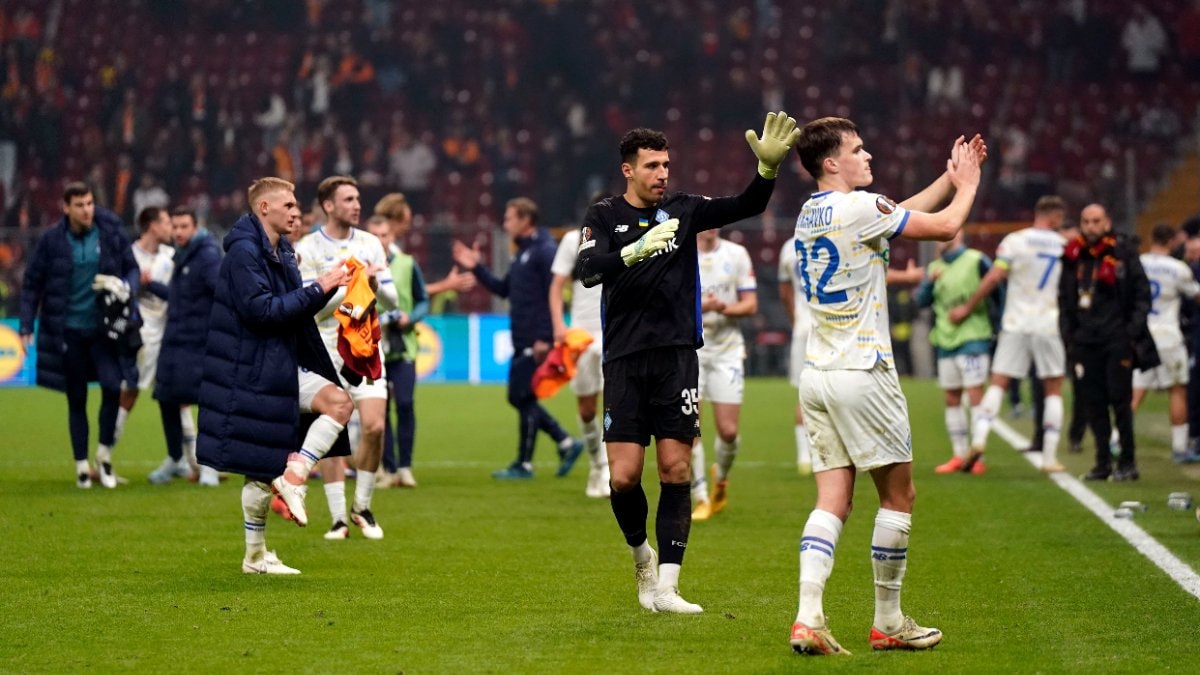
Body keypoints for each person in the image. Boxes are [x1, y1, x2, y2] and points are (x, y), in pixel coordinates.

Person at [575, 111, 800, 614]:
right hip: (624, 359)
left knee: (676, 469)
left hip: (677, 357)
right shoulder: (603, 215)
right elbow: (588, 269)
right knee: (623, 477)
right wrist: (635, 251)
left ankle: (669, 587)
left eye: (666, 165)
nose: (662, 174)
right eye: (652, 166)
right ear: (628, 170)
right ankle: (642, 558)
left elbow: (746, 204)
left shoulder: (684, 209)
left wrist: (766, 170)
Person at [788, 117, 983, 655]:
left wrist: (946, 178)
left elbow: (893, 212)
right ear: (832, 162)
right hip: (863, 371)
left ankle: (808, 618)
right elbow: (945, 227)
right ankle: (889, 622)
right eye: (858, 149)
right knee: (899, 496)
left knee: (832, 500)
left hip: (818, 374)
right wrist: (967, 186)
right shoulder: (859, 208)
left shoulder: (810, 212)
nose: (868, 155)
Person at [196, 177, 353, 574]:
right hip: (251, 370)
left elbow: (293, 309)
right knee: (261, 468)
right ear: (264, 208)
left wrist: (329, 289)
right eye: (288, 206)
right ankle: (255, 554)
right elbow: (263, 312)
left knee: (337, 403)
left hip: (277, 363)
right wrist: (319, 286)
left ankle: (294, 475)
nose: (296, 212)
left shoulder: (280, 250)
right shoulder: (244, 253)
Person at [452, 197, 583, 480]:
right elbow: (504, 289)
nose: (505, 223)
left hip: (536, 340)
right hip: (522, 337)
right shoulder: (523, 252)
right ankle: (563, 442)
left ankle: (528, 462)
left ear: (525, 220)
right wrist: (477, 267)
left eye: (509, 217)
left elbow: (554, 295)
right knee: (521, 397)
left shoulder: (545, 251)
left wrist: (545, 337)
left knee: (521, 396)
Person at [19, 182, 139, 488]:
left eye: (89, 203)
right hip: (68, 331)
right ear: (66, 208)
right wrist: (25, 325)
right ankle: (82, 466)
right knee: (77, 397)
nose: (87, 210)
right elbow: (32, 283)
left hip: (103, 330)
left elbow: (132, 268)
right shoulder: (51, 240)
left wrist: (125, 286)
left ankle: (104, 455)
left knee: (112, 386)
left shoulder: (109, 230)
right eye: (80, 205)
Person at [294, 175, 395, 540]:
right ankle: (338, 518)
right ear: (328, 205)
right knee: (332, 430)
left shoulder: (370, 243)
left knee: (375, 426)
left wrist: (371, 284)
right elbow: (310, 309)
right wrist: (347, 286)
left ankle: (362, 506)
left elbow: (393, 300)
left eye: (357, 198)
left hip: (365, 346)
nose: (356, 205)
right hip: (326, 348)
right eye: (348, 199)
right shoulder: (307, 248)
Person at [949, 196, 1069, 473]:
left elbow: (994, 277)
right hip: (1048, 322)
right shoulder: (1064, 245)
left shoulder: (1016, 241)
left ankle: (979, 440)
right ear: (1055, 217)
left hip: (1016, 322)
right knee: (1053, 389)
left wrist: (968, 306)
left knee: (998, 383)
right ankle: (1049, 458)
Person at [370, 193, 476, 488]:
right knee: (379, 410)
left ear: (390, 235)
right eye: (375, 235)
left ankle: (404, 467)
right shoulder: (361, 266)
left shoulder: (406, 263)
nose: (381, 240)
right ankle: (387, 468)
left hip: (404, 344)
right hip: (372, 346)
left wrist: (411, 317)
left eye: (384, 235)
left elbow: (421, 300)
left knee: (405, 403)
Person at [1060, 204, 1155, 481]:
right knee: (1094, 404)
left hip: (1116, 339)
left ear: (1107, 223)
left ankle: (1128, 461)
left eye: (1096, 221)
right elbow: (1064, 299)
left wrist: (1130, 333)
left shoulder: (1123, 253)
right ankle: (1102, 463)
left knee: (1120, 402)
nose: (1091, 226)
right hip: (1084, 341)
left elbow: (1142, 294)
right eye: (1086, 221)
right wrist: (1069, 336)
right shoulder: (1072, 256)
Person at [915, 229, 996, 474]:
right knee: (951, 397)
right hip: (945, 340)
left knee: (974, 393)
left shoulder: (976, 260)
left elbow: (997, 290)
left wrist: (997, 324)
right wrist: (929, 282)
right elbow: (921, 301)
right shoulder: (934, 267)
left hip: (973, 338)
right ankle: (959, 455)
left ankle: (978, 455)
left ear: (959, 235)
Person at [689, 229, 757, 520]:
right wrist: (703, 307)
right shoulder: (682, 253)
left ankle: (722, 479)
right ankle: (701, 496)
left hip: (728, 350)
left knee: (728, 431)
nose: (711, 226)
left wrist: (724, 308)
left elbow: (750, 303)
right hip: (692, 350)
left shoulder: (736, 254)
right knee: (690, 427)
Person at [549, 191, 613, 498]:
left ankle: (609, 468)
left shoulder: (625, 239)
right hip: (581, 334)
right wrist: (559, 325)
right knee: (587, 410)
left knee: (614, 404)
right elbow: (556, 286)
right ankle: (596, 465)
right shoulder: (573, 241)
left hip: (613, 333)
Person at [152, 206, 221, 486]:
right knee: (166, 397)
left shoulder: (207, 255)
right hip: (174, 340)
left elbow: (220, 293)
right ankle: (175, 458)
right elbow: (181, 297)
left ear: (196, 227)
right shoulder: (181, 255)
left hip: (199, 342)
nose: (178, 232)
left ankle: (210, 467)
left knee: (207, 403)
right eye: (175, 226)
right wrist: (152, 285)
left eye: (184, 227)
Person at [1129, 224, 1200, 463]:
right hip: (1169, 336)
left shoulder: (1138, 263)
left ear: (1151, 238)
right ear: (1171, 241)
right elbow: (1195, 295)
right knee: (1177, 389)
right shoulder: (1178, 268)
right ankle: (1180, 448)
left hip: (1142, 336)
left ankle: (1117, 439)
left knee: (1137, 390)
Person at [778, 236, 815, 475]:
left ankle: (804, 457)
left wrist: (796, 320)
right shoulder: (836, 231)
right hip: (834, 326)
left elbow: (784, 293)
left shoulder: (788, 247)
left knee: (803, 394)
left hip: (803, 327)